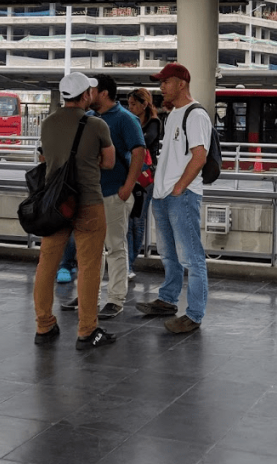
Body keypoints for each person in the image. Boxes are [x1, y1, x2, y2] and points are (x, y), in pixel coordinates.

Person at [33, 72, 116, 349]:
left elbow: (45, 158)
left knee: (47, 263)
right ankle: (87, 330)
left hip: (55, 203)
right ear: (86, 96)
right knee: (89, 266)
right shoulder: (96, 125)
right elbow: (109, 162)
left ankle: (44, 326)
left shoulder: (48, 124)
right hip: (89, 202)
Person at [135, 62, 213, 334]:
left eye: (166, 82)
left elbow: (199, 156)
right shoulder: (172, 116)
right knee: (168, 255)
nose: (161, 87)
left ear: (181, 84)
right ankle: (168, 300)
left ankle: (194, 313)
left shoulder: (195, 114)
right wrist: (162, 188)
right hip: (163, 195)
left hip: (181, 196)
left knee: (192, 258)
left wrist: (179, 187)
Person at [88, 74, 145, 320]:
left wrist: (127, 187)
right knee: (93, 249)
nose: (87, 95)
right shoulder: (90, 118)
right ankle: (89, 295)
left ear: (103, 93)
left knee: (115, 247)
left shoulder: (125, 119)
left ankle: (115, 299)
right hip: (92, 194)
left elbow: (139, 151)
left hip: (114, 193)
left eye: (91, 91)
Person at [126, 87, 162, 278]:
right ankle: (127, 263)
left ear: (144, 104)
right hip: (132, 174)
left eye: (133, 104)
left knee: (138, 222)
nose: (130, 108)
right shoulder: (132, 121)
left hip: (145, 177)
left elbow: (143, 143)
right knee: (128, 222)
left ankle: (129, 263)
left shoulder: (153, 123)